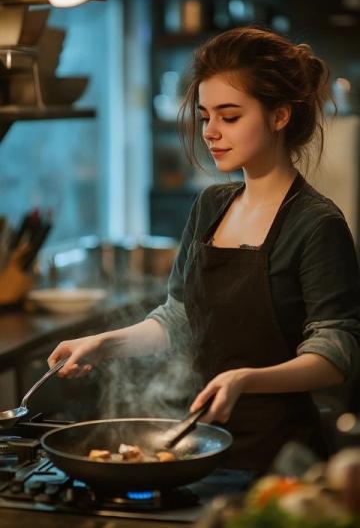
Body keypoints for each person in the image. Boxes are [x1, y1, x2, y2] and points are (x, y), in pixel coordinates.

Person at [48, 27, 360, 474]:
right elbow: (180, 318)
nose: (210, 132)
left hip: (280, 459)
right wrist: (103, 344)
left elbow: (336, 352)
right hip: (198, 446)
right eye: (205, 116)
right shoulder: (210, 205)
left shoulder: (316, 224)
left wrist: (245, 380)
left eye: (229, 117)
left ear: (279, 116)